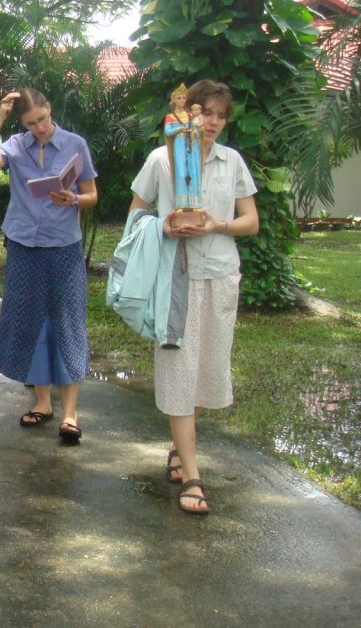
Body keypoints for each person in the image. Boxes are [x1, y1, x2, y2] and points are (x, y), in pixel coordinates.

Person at [129, 80, 259, 514]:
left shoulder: (232, 161)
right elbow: (135, 214)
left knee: (204, 369)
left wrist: (216, 225)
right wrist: (165, 225)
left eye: (221, 116)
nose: (213, 123)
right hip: (176, 279)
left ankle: (178, 449)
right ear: (188, 111)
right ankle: (192, 473)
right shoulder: (160, 160)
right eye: (206, 113)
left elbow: (251, 222)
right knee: (177, 368)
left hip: (220, 276)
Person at [0, 87, 98, 442]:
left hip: (63, 245)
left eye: (42, 119)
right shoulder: (15, 145)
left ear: (49, 108)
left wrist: (73, 198)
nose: (39, 128)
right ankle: (42, 403)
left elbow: (92, 196)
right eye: (31, 123)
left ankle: (70, 412)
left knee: (67, 321)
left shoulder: (75, 144)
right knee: (32, 320)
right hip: (24, 243)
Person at [164, 84, 203, 212]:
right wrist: (179, 129)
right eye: (179, 98)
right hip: (179, 143)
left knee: (193, 170)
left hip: (191, 143)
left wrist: (196, 130)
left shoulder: (190, 115)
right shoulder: (170, 117)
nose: (182, 100)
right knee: (181, 171)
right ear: (174, 99)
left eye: (184, 98)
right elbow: (168, 132)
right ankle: (181, 204)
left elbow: (198, 127)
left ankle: (194, 203)